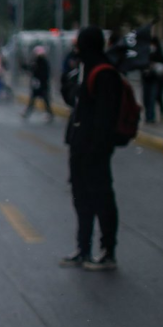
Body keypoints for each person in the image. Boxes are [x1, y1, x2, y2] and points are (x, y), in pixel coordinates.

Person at [60, 26, 123, 271]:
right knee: (81, 199)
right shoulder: (83, 70)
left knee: (102, 199)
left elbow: (105, 118)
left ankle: (108, 252)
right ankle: (82, 249)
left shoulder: (104, 73)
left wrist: (95, 149)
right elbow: (72, 99)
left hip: (95, 151)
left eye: (78, 44)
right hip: (78, 146)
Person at [22, 46, 54, 122]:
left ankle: (50, 114)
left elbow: (44, 74)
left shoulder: (43, 63)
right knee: (34, 99)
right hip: (37, 85)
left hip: (42, 85)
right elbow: (31, 69)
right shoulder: (36, 62)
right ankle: (27, 113)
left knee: (44, 100)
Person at [141, 37, 163, 124]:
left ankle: (151, 117)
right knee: (146, 99)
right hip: (146, 79)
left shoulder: (160, 55)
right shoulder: (145, 54)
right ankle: (148, 115)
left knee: (153, 98)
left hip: (155, 80)